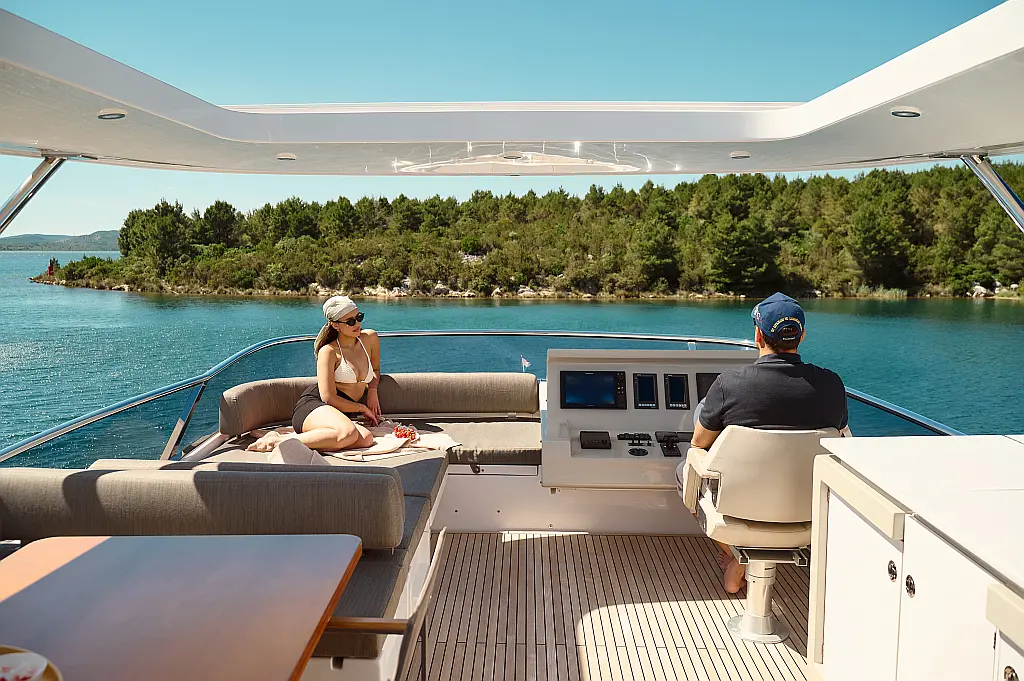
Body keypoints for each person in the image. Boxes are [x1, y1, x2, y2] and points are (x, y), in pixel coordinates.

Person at [680, 292, 850, 593]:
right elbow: (841, 439)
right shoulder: (832, 385)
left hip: (740, 509)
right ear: (802, 336)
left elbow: (698, 443)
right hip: (807, 512)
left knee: (686, 469)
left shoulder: (729, 384)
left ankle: (735, 555)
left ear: (758, 335)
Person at [248, 295, 382, 453]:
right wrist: (361, 408)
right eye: (350, 321)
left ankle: (298, 437)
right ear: (335, 325)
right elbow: (328, 398)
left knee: (366, 439)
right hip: (315, 406)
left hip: (340, 412)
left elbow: (375, 369)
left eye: (359, 317)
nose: (357, 324)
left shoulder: (370, 338)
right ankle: (277, 442)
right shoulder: (329, 351)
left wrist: (372, 390)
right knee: (347, 433)